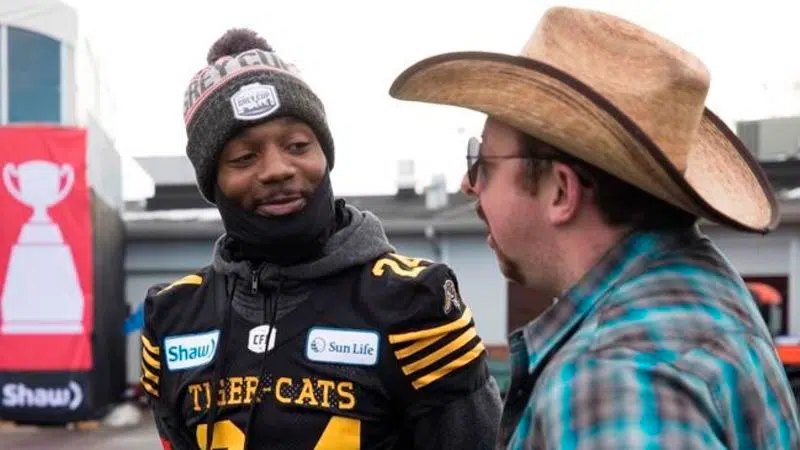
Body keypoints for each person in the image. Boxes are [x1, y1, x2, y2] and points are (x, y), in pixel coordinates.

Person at [389, 6, 800, 450]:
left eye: (483, 163)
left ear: (561, 191)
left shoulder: (610, 382)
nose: (468, 185)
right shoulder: (708, 295)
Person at [139, 28, 501, 450]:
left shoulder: (413, 302)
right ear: (211, 180)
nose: (277, 169)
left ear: (325, 155)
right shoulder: (173, 316)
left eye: (297, 145)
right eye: (244, 157)